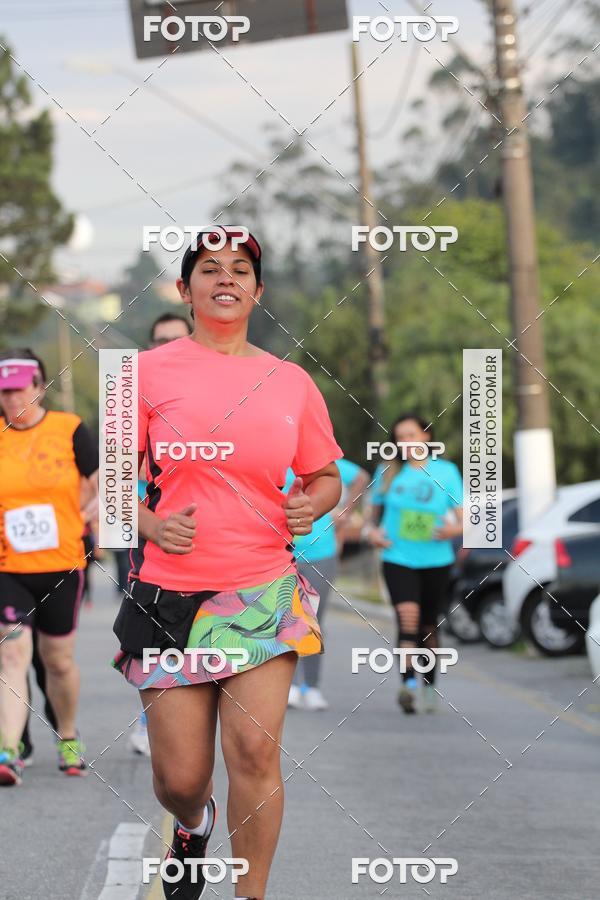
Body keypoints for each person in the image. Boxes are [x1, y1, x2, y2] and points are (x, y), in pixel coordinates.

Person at [112, 228, 342, 900]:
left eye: (241, 269)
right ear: (185, 291)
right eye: (209, 269)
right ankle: (193, 823)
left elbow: (324, 475)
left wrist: (313, 507)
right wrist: (151, 522)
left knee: (253, 754)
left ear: (258, 291)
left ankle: (251, 894)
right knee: (179, 778)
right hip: (169, 595)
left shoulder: (290, 381)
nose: (226, 278)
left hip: (262, 591)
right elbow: (108, 486)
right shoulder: (143, 375)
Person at [0, 349, 99, 784]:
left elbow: (103, 485)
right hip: (7, 567)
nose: (10, 399)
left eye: (19, 389)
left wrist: (84, 518)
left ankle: (69, 735)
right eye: (3, 392)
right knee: (12, 652)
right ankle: (8, 750)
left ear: (39, 387)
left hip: (61, 564)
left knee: (56, 661)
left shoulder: (70, 429)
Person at [364, 414, 463, 714]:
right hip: (398, 558)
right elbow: (370, 516)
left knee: (428, 624)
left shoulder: (446, 472)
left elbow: (466, 519)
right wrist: (372, 533)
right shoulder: (388, 472)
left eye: (411, 435)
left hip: (436, 560)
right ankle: (407, 685)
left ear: (427, 437)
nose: (406, 442)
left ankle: (430, 686)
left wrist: (452, 531)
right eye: (400, 437)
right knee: (407, 619)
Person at [126, 313, 193, 757]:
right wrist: (148, 523)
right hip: (150, 547)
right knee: (154, 642)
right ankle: (154, 719)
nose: (166, 347)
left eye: (175, 339)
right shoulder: (135, 394)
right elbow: (113, 478)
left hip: (225, 558)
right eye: (158, 341)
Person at [286, 457, 368, 711]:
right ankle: (289, 686)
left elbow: (361, 477)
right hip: (278, 552)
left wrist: (345, 513)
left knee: (312, 620)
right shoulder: (270, 454)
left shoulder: (319, 458)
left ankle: (311, 687)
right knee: (285, 620)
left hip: (320, 553)